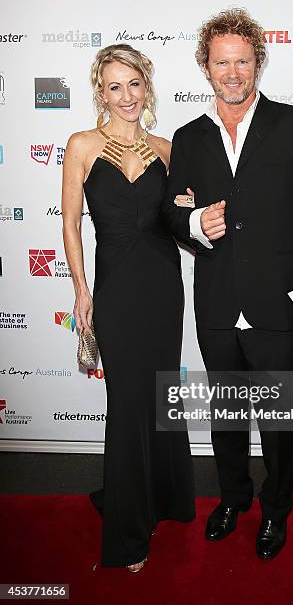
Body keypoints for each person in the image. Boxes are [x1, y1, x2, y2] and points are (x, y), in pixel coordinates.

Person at [164, 9, 293, 560]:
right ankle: (233, 497)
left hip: (276, 298)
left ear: (257, 63)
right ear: (205, 66)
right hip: (217, 302)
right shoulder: (188, 137)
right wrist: (196, 225)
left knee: (277, 421)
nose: (233, 72)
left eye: (242, 61)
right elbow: (172, 214)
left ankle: (276, 509)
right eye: (222, 62)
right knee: (226, 415)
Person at [61, 44, 195, 573]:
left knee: (161, 394)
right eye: (114, 86)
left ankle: (164, 498)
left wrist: (189, 214)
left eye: (134, 83)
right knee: (128, 405)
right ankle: (129, 531)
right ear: (101, 92)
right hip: (116, 292)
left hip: (164, 288)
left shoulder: (167, 149)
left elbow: (178, 226)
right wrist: (80, 290)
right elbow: (70, 224)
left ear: (147, 86)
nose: (127, 96)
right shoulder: (83, 146)